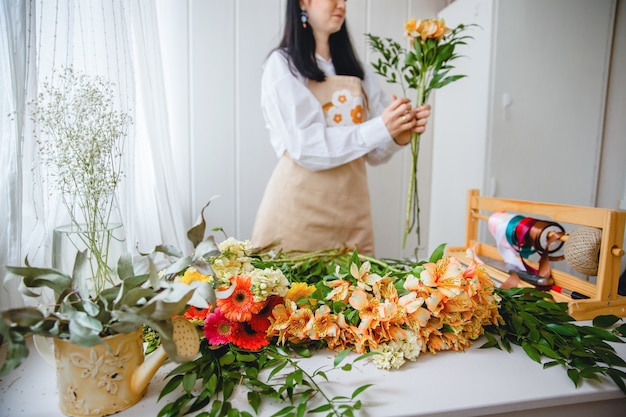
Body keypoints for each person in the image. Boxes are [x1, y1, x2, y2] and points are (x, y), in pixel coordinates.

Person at [251, 0, 431, 255]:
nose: (341, 4)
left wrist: (398, 134)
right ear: (304, 2)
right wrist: (381, 127)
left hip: (351, 212)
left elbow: (373, 153)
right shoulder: (283, 65)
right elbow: (306, 147)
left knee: (354, 290)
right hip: (297, 212)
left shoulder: (361, 73)